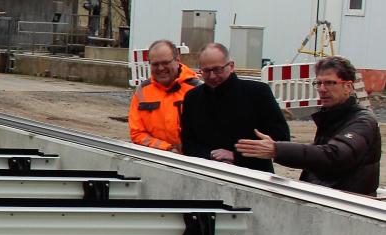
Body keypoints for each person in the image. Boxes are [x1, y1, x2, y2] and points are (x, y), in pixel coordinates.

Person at [236, 56, 380, 195]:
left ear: (348, 86)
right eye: (318, 83)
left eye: (329, 83)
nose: (322, 89)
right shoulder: (332, 116)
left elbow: (336, 155)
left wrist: (277, 149)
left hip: (347, 204)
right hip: (330, 197)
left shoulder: (362, 120)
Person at [180, 43, 290, 172]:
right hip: (206, 173)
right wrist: (211, 157)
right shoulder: (192, 98)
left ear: (231, 66)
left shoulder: (257, 93)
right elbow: (188, 143)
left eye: (217, 69)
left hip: (253, 174)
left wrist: (235, 155)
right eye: (206, 71)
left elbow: (280, 137)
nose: (212, 76)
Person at [128, 40, 201, 153]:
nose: (161, 68)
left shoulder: (197, 90)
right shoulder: (142, 91)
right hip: (157, 158)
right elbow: (137, 133)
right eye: (155, 64)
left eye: (165, 63)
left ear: (177, 61)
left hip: (194, 160)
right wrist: (167, 148)